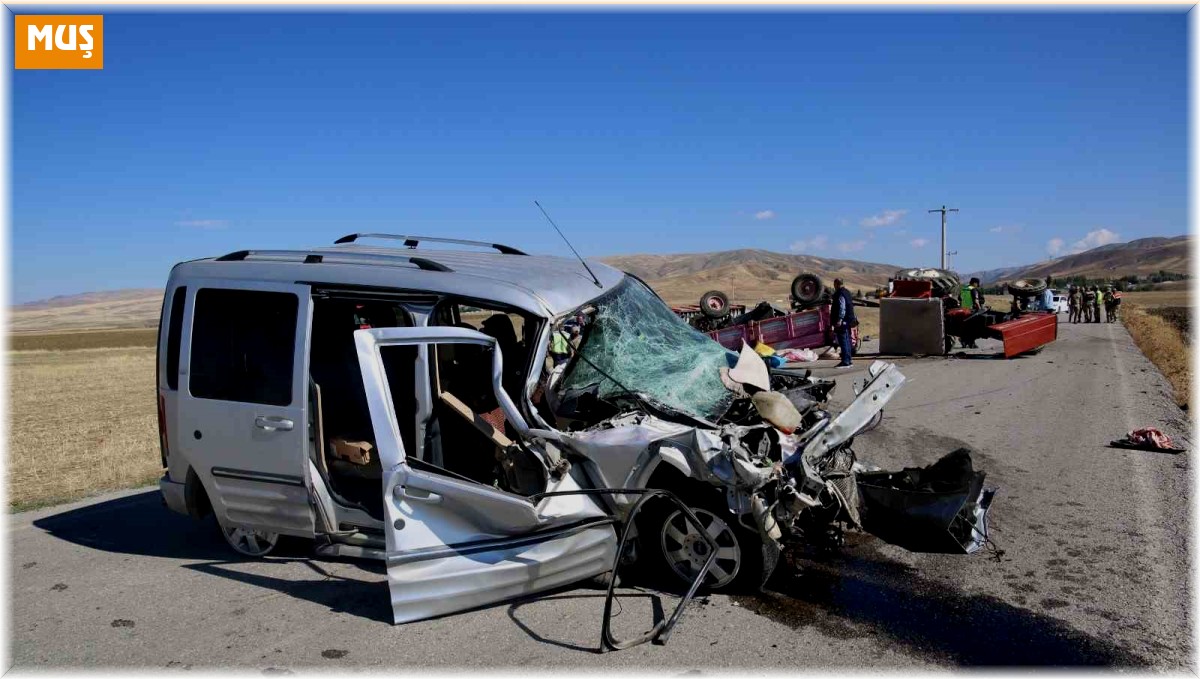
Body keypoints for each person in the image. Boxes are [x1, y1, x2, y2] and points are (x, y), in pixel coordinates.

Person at [830, 278, 856, 368]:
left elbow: (842, 307)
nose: (834, 286)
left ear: (837, 284)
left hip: (843, 321)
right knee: (847, 340)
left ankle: (845, 361)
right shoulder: (847, 292)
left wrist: (840, 319)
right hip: (848, 320)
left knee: (843, 341)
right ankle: (848, 360)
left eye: (834, 284)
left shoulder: (840, 293)